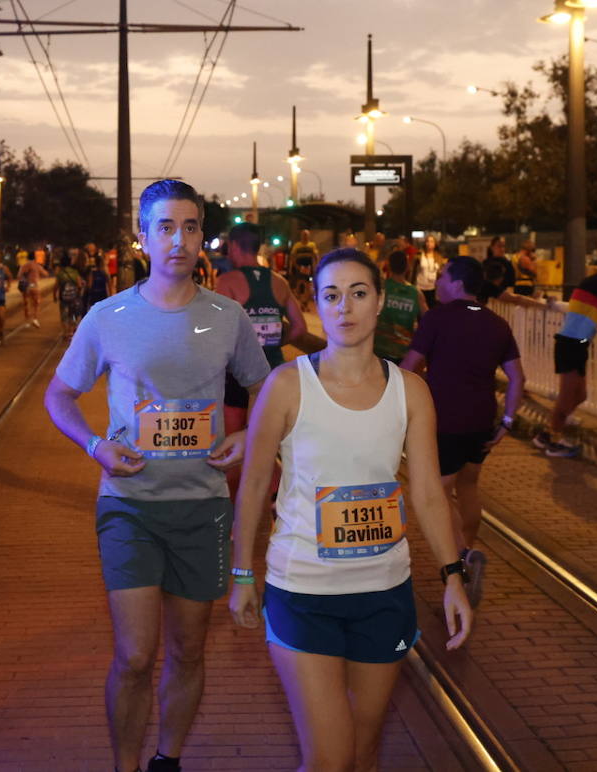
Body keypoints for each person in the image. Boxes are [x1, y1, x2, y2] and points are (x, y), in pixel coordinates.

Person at [45, 179, 271, 772]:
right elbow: (60, 395)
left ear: (203, 239)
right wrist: (96, 446)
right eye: (166, 227)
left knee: (190, 651)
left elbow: (264, 388)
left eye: (191, 227)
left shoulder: (227, 317)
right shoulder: (108, 315)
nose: (179, 239)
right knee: (136, 655)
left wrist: (250, 435)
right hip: (130, 505)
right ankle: (126, 764)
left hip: (202, 507)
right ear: (142, 239)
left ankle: (166, 760)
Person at [228, 247, 473, 772]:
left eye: (358, 293)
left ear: (380, 301)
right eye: (331, 296)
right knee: (330, 759)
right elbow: (251, 489)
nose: (345, 308)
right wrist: (243, 574)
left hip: (384, 594)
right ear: (317, 304)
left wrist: (453, 576)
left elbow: (429, 493)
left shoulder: (412, 391)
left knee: (363, 754)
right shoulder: (287, 385)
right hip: (303, 592)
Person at [401, 255, 523, 606]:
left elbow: (410, 367)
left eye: (442, 277)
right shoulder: (498, 325)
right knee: (468, 485)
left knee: (438, 493)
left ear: (456, 284)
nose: (437, 282)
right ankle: (468, 549)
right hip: (483, 420)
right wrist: (508, 421)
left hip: (445, 420)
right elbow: (518, 378)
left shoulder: (436, 318)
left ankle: (461, 559)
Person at [533, 253, 597, 458]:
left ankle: (547, 433)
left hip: (577, 345)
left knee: (580, 395)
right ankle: (554, 440)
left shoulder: (596, 285)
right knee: (567, 396)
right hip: (570, 345)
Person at [215, 222, 307, 436]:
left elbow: (218, 332)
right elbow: (300, 327)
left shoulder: (227, 282)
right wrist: (273, 341)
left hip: (238, 377)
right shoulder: (280, 282)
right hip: (272, 373)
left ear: (235, 246)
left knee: (232, 448)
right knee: (266, 446)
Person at [375, 249, 427, 364]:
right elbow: (428, 321)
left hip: (379, 349)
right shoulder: (416, 293)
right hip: (404, 353)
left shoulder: (381, 288)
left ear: (388, 267)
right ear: (407, 267)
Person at [54, 248, 86, 340]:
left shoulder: (60, 273)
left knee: (64, 315)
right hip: (74, 297)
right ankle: (71, 332)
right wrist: (79, 294)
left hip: (63, 298)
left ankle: (65, 333)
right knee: (72, 314)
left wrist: (54, 296)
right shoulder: (75, 272)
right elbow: (79, 285)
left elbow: (56, 286)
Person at [288, 229, 320, 313]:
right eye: (303, 235)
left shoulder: (312, 245)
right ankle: (300, 302)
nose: (305, 237)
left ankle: (304, 303)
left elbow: (315, 256)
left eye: (306, 235)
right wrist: (293, 267)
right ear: (301, 236)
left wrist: (316, 267)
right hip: (299, 268)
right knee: (298, 285)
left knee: (307, 286)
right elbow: (292, 257)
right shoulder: (297, 245)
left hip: (308, 268)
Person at [412, 234, 442, 308]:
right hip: (420, 287)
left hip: (432, 288)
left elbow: (440, 273)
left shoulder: (438, 257)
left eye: (432, 241)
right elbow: (413, 270)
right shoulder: (419, 255)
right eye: (427, 241)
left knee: (431, 309)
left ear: (435, 244)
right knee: (420, 310)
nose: (429, 243)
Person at [20, 249, 48, 328]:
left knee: (26, 304)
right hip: (34, 286)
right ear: (34, 257)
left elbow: (19, 275)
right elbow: (45, 273)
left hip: (26, 286)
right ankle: (35, 319)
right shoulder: (36, 265)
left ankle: (27, 321)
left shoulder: (24, 265)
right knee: (36, 304)